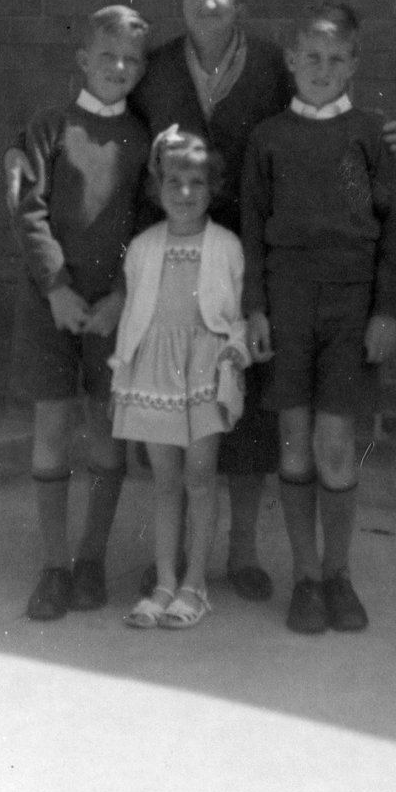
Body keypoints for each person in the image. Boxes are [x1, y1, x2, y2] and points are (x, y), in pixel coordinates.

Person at [7, 0, 396, 599]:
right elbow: (107, 133)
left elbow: (317, 115)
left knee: (238, 407)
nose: (208, 1)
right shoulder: (156, 69)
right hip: (165, 252)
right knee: (172, 402)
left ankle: (241, 551)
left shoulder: (274, 65)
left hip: (243, 255)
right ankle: (171, 556)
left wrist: (379, 137)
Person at [240, 4, 396, 634]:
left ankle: (339, 575)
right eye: (311, 57)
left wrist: (384, 312)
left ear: (354, 65)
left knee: (335, 443)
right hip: (287, 303)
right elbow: (253, 230)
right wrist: (256, 306)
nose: (322, 69)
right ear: (290, 62)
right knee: (293, 441)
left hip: (349, 305)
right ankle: (306, 580)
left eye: (337, 59)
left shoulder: (368, 134)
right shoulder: (268, 138)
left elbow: (395, 230)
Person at [8, 4, 151, 621]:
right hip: (52, 307)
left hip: (113, 312)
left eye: (131, 60)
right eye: (107, 56)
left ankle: (93, 558)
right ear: (83, 60)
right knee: (52, 428)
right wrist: (57, 286)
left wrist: (122, 295)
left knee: (109, 431)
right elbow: (25, 209)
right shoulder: (48, 128)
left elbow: (148, 224)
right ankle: (54, 566)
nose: (119, 68)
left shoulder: (142, 140)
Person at [110, 127, 250, 629]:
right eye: (174, 181)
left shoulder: (226, 246)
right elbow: (134, 316)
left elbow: (234, 315)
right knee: (165, 480)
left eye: (196, 182)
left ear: (212, 188)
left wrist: (234, 355)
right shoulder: (145, 247)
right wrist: (123, 371)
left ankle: (196, 583)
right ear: (157, 186)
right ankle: (165, 580)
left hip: (205, 370)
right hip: (156, 372)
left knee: (200, 477)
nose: (185, 193)